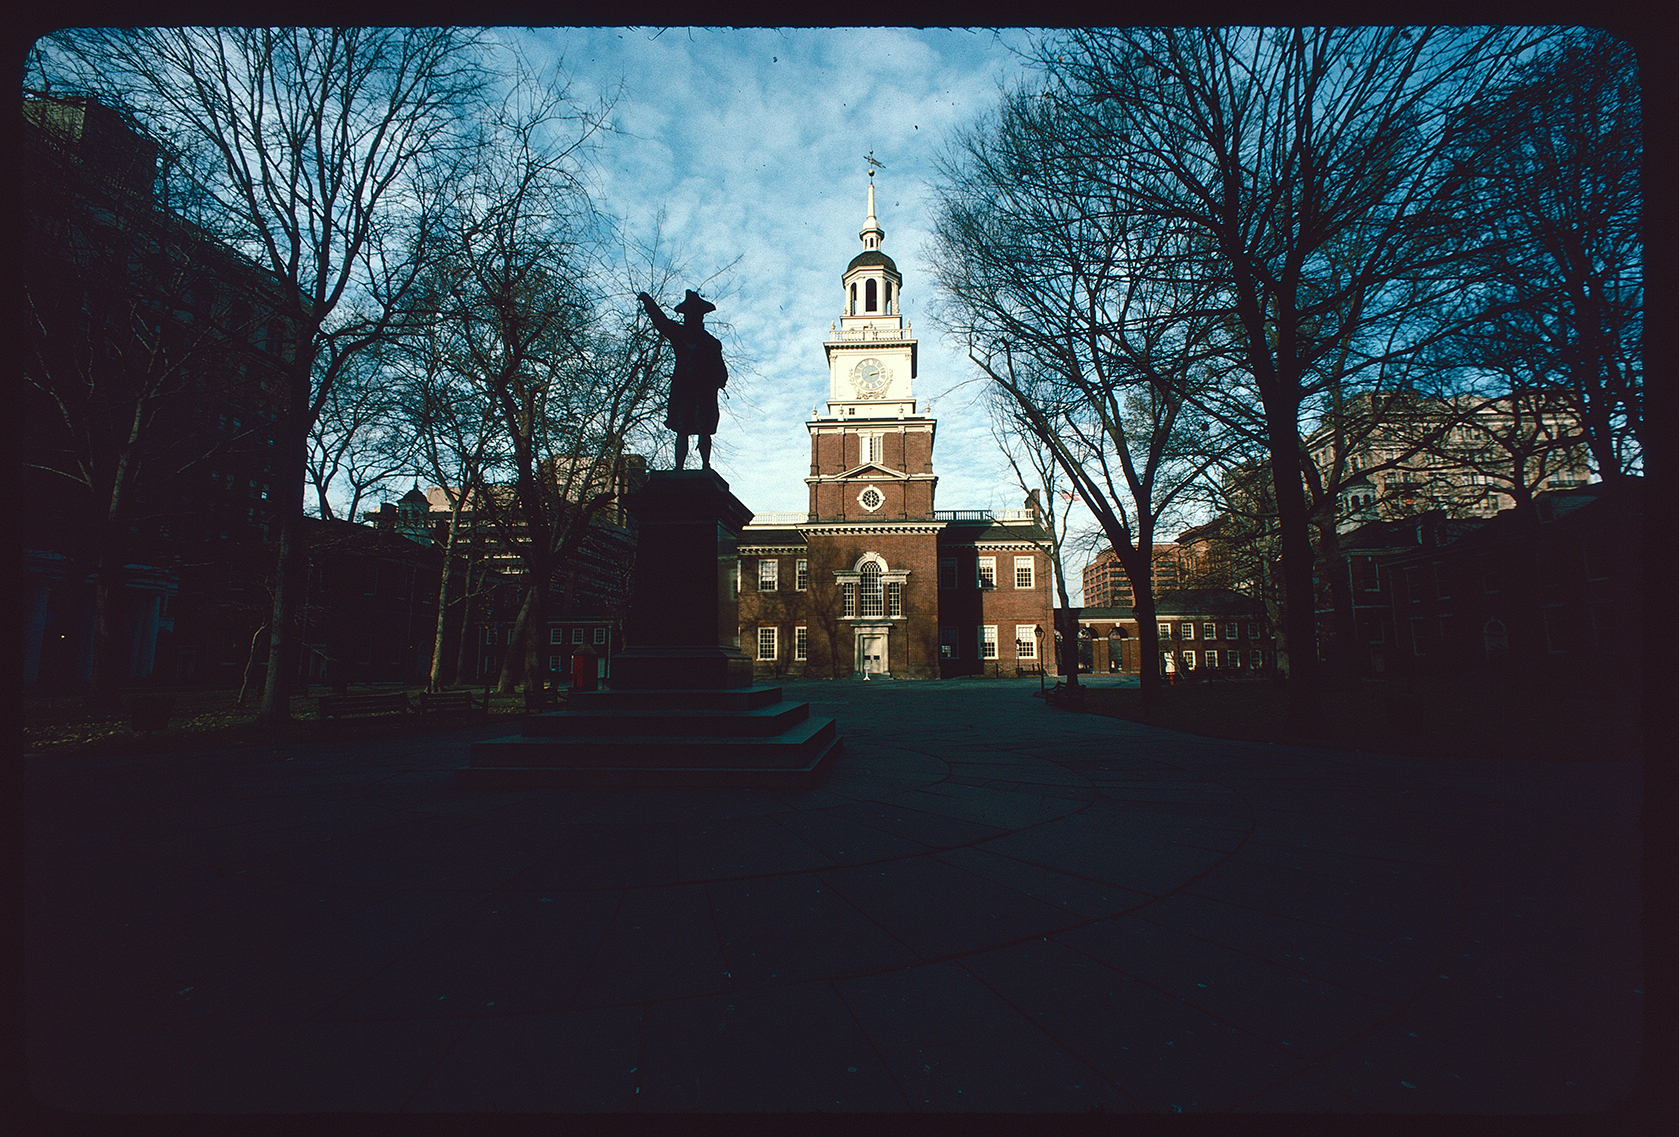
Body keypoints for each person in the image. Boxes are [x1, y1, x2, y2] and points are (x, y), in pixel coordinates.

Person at [637, 289, 728, 470]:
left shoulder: (711, 343)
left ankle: (705, 465)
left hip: (703, 392)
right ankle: (679, 466)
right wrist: (648, 303)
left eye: (693, 314)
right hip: (684, 390)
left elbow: (722, 372)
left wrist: (715, 381)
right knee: (682, 428)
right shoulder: (680, 334)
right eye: (688, 314)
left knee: (703, 429)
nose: (689, 317)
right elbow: (661, 322)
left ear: (700, 316)